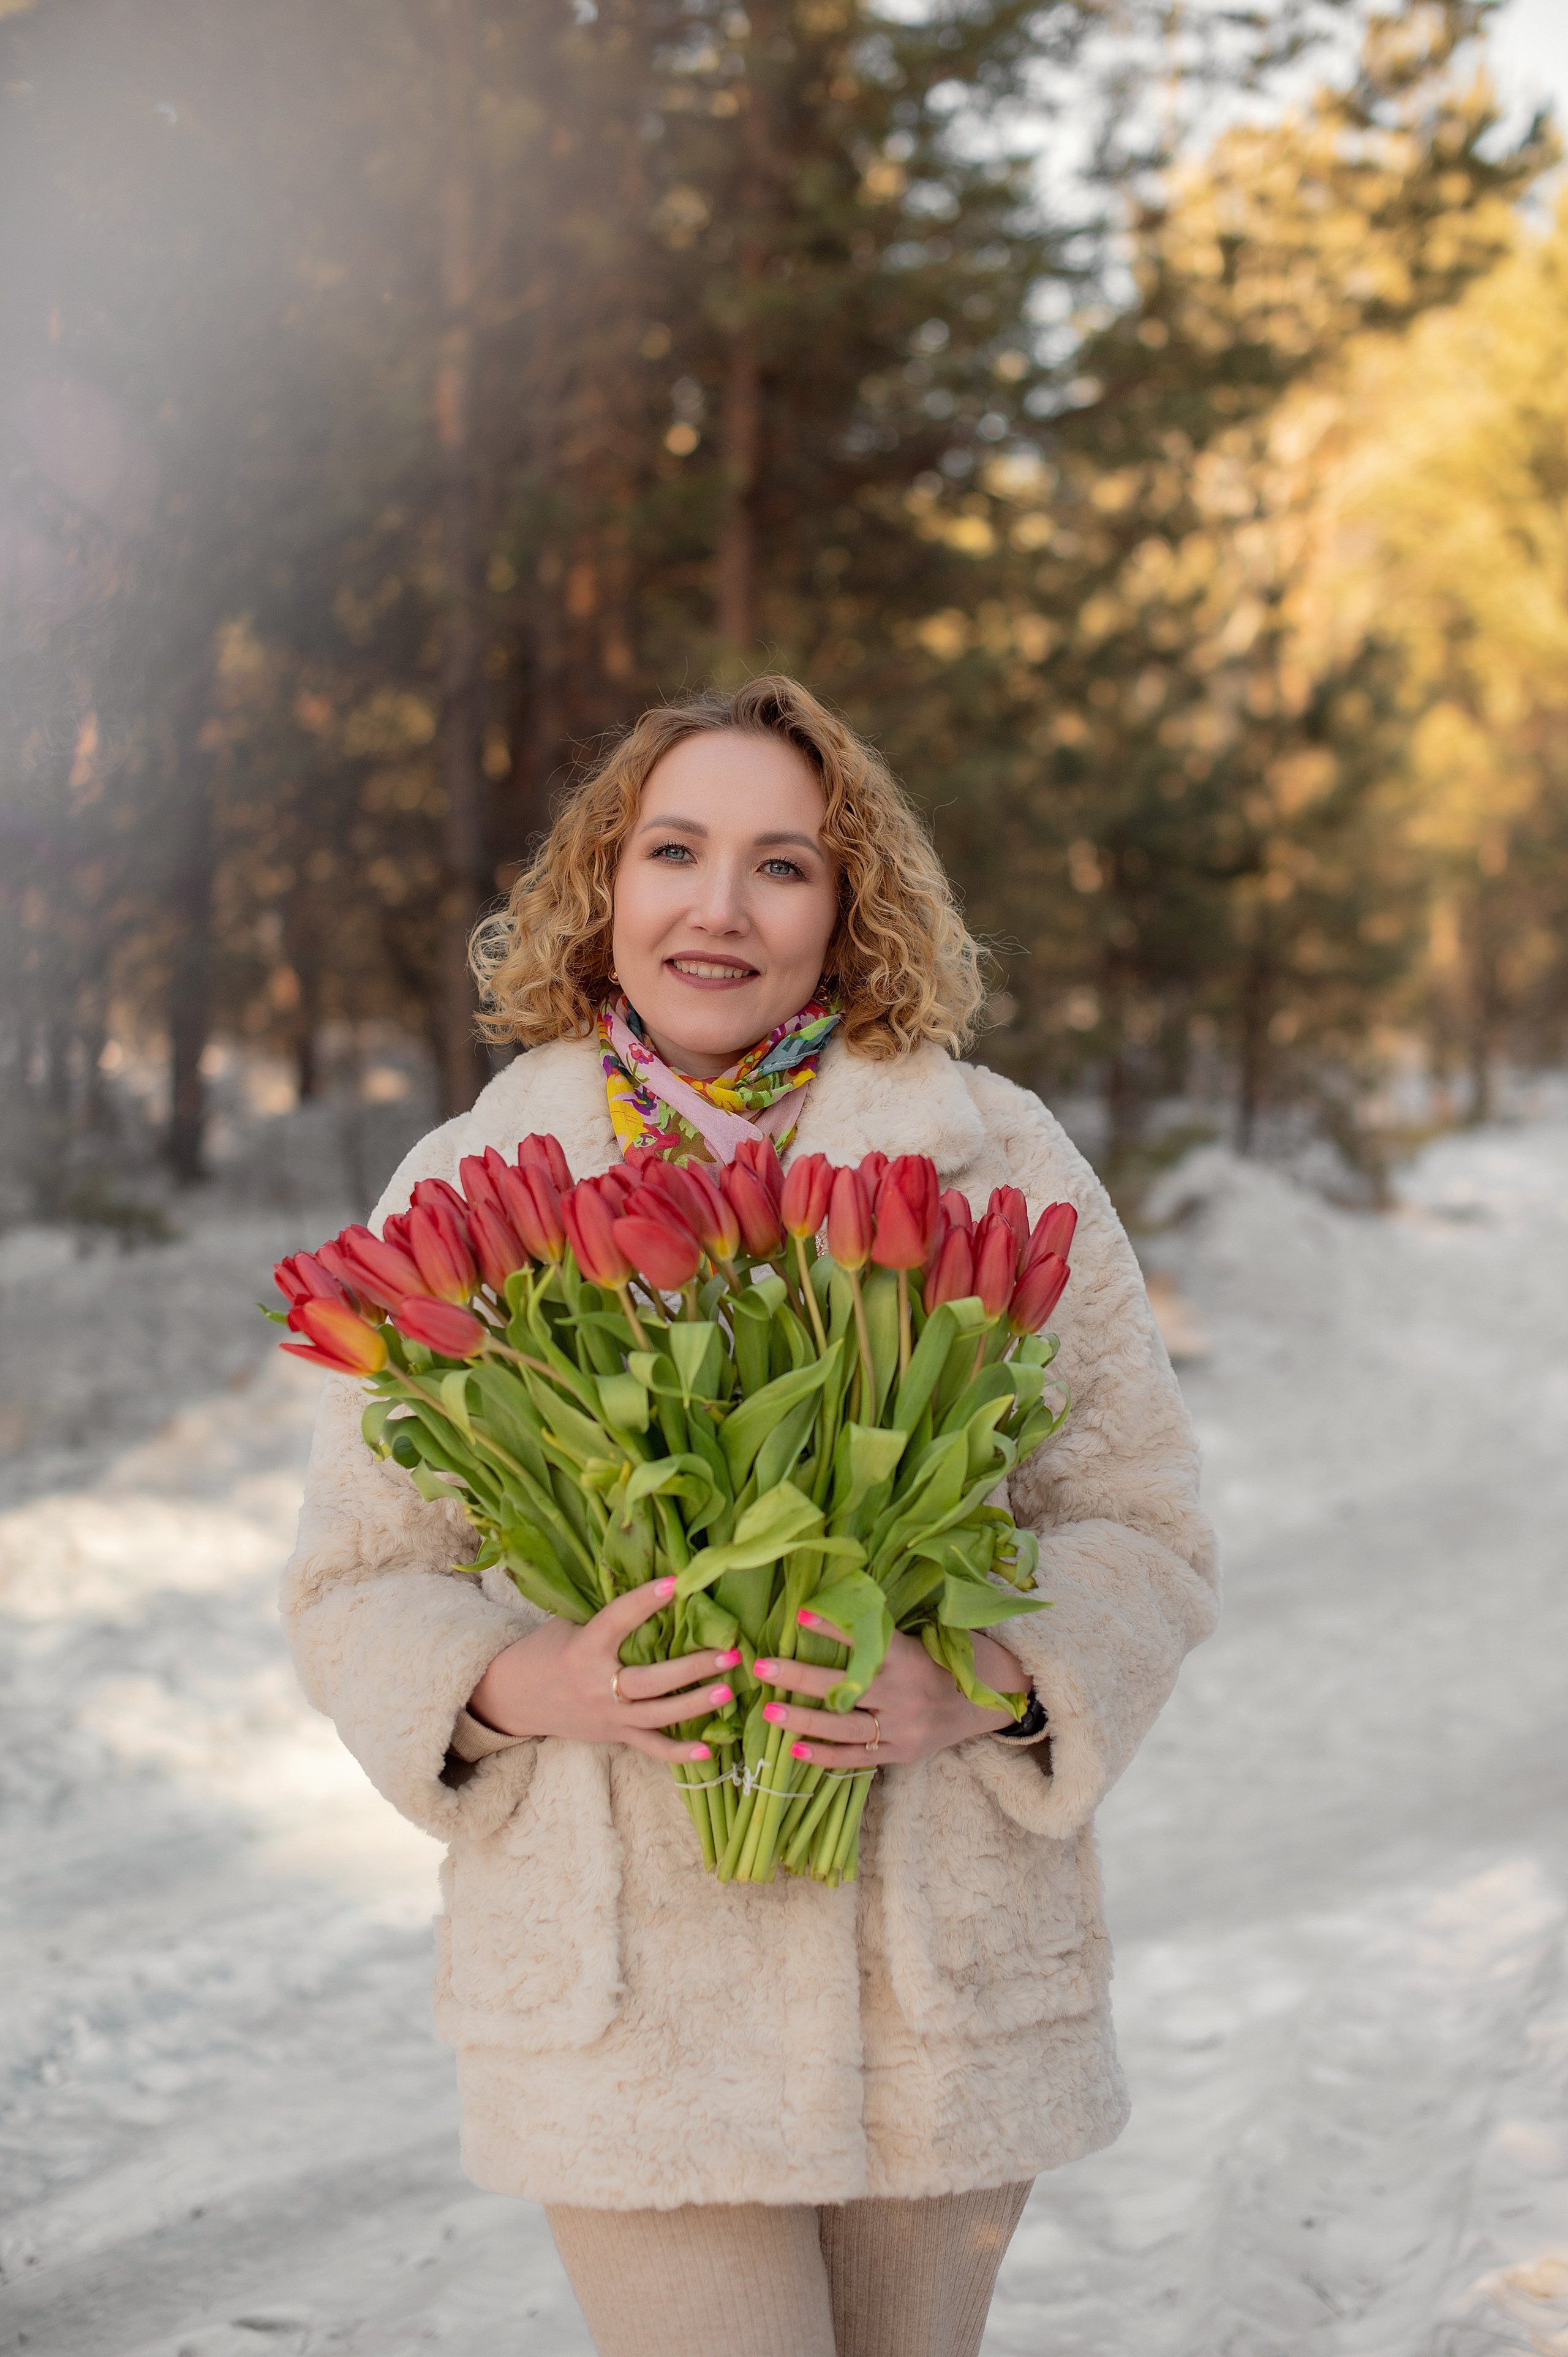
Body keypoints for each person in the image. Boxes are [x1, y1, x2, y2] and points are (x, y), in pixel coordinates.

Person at [281, 674, 1217, 2357]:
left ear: (849, 907)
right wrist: (522, 1683)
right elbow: (362, 1579)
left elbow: (1137, 1521)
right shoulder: (477, 1183)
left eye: (783, 864)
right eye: (675, 851)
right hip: (629, 1988)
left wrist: (989, 1681)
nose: (719, 907)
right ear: (605, 886)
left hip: (933, 1968)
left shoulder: (994, 1159)